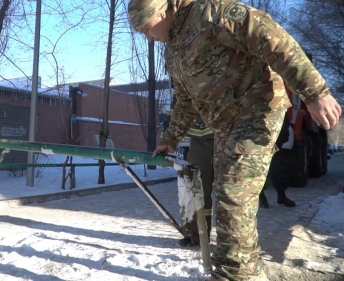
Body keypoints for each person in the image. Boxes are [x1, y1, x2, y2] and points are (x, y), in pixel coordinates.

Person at [128, 0, 341, 280]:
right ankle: (245, 270)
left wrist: (314, 92)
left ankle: (236, 274)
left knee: (233, 193)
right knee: (225, 192)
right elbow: (185, 100)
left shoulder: (210, 13)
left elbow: (270, 37)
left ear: (163, 11)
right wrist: (170, 138)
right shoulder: (173, 50)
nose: (148, 38)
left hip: (256, 110)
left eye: (147, 28)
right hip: (225, 125)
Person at [163, 95, 215, 246]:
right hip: (200, 140)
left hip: (233, 133)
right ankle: (195, 235)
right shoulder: (183, 77)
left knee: (232, 193)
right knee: (193, 189)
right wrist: (167, 141)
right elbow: (175, 110)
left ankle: (233, 244)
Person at [259, 114, 296, 208]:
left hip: (274, 140)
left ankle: (281, 196)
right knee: (258, 170)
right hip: (257, 140)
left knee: (277, 169)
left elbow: (283, 118)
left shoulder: (278, 101)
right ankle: (261, 198)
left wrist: (283, 136)